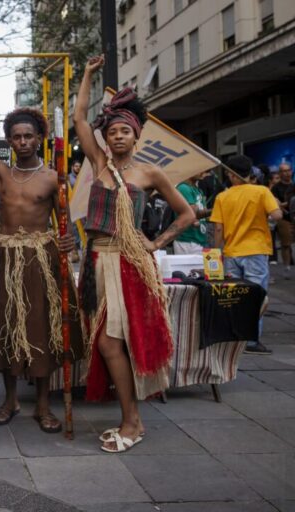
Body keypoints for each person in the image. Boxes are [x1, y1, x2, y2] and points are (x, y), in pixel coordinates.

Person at [74, 55, 195, 453]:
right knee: (109, 342)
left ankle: (133, 421)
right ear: (105, 137)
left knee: (116, 343)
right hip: (97, 262)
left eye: (125, 131)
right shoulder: (98, 164)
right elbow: (78, 119)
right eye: (112, 131)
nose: (118, 137)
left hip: (130, 263)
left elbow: (187, 213)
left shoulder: (150, 173)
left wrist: (156, 243)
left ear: (136, 136)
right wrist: (89, 75)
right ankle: (131, 418)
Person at [0, 92, 84, 434]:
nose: (23, 141)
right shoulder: (0, 170)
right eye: (16, 136)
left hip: (40, 256)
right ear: (9, 140)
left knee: (41, 327)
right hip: (4, 256)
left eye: (28, 135)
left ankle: (43, 405)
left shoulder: (54, 177)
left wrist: (68, 241)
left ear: (40, 139)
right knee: (6, 325)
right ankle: (10, 399)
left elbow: (65, 223)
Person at [210, 155, 282, 355]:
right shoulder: (261, 191)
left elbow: (218, 229)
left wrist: (217, 254)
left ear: (231, 175)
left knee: (235, 297)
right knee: (256, 296)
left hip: (231, 253)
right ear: (249, 173)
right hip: (256, 251)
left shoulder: (222, 197)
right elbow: (277, 215)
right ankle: (251, 340)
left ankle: (235, 337)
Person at [174, 173, 211, 255]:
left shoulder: (198, 190)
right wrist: (216, 209)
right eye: (200, 169)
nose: (203, 172)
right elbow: (193, 215)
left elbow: (203, 213)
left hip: (199, 240)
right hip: (187, 241)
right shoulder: (184, 188)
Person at [271, 162, 294, 273]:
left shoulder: (293, 185)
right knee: (286, 244)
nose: (287, 173)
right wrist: (289, 203)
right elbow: (275, 204)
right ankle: (287, 267)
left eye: (288, 170)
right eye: (284, 171)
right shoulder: (276, 188)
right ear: (280, 173)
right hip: (284, 218)